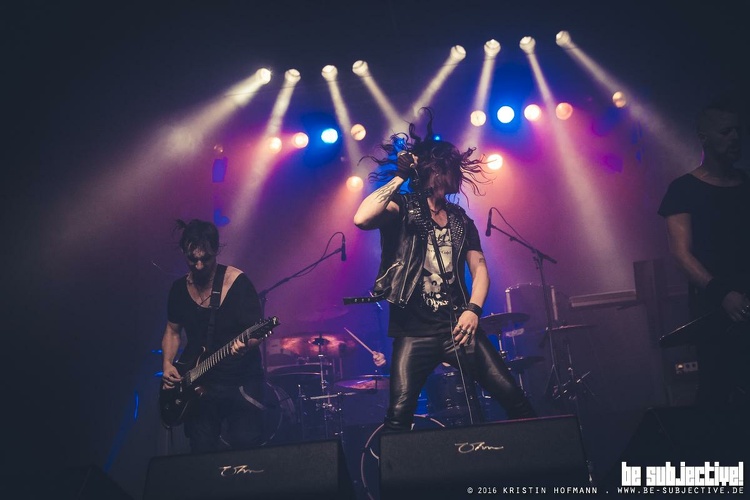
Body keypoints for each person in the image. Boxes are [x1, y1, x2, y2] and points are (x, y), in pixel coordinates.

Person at [353, 108, 535, 432]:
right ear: (437, 170)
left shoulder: (460, 219)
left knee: (515, 400)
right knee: (398, 417)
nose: (460, 176)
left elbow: (480, 269)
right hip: (413, 332)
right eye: (453, 168)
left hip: (458, 329)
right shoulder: (403, 207)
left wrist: (473, 310)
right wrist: (399, 177)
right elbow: (362, 218)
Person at [658, 96, 750, 411]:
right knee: (717, 396)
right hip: (714, 313)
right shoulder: (683, 189)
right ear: (704, 137)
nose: (735, 138)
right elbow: (681, 254)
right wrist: (722, 293)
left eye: (738, 131)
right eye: (726, 132)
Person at [161, 219, 267, 452]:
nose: (199, 266)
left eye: (206, 258)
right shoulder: (178, 289)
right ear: (184, 252)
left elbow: (257, 330)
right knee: (201, 451)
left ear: (216, 251)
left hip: (240, 379)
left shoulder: (237, 283)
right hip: (199, 382)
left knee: (245, 448)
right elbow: (172, 330)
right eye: (192, 260)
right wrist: (167, 364)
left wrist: (246, 344)